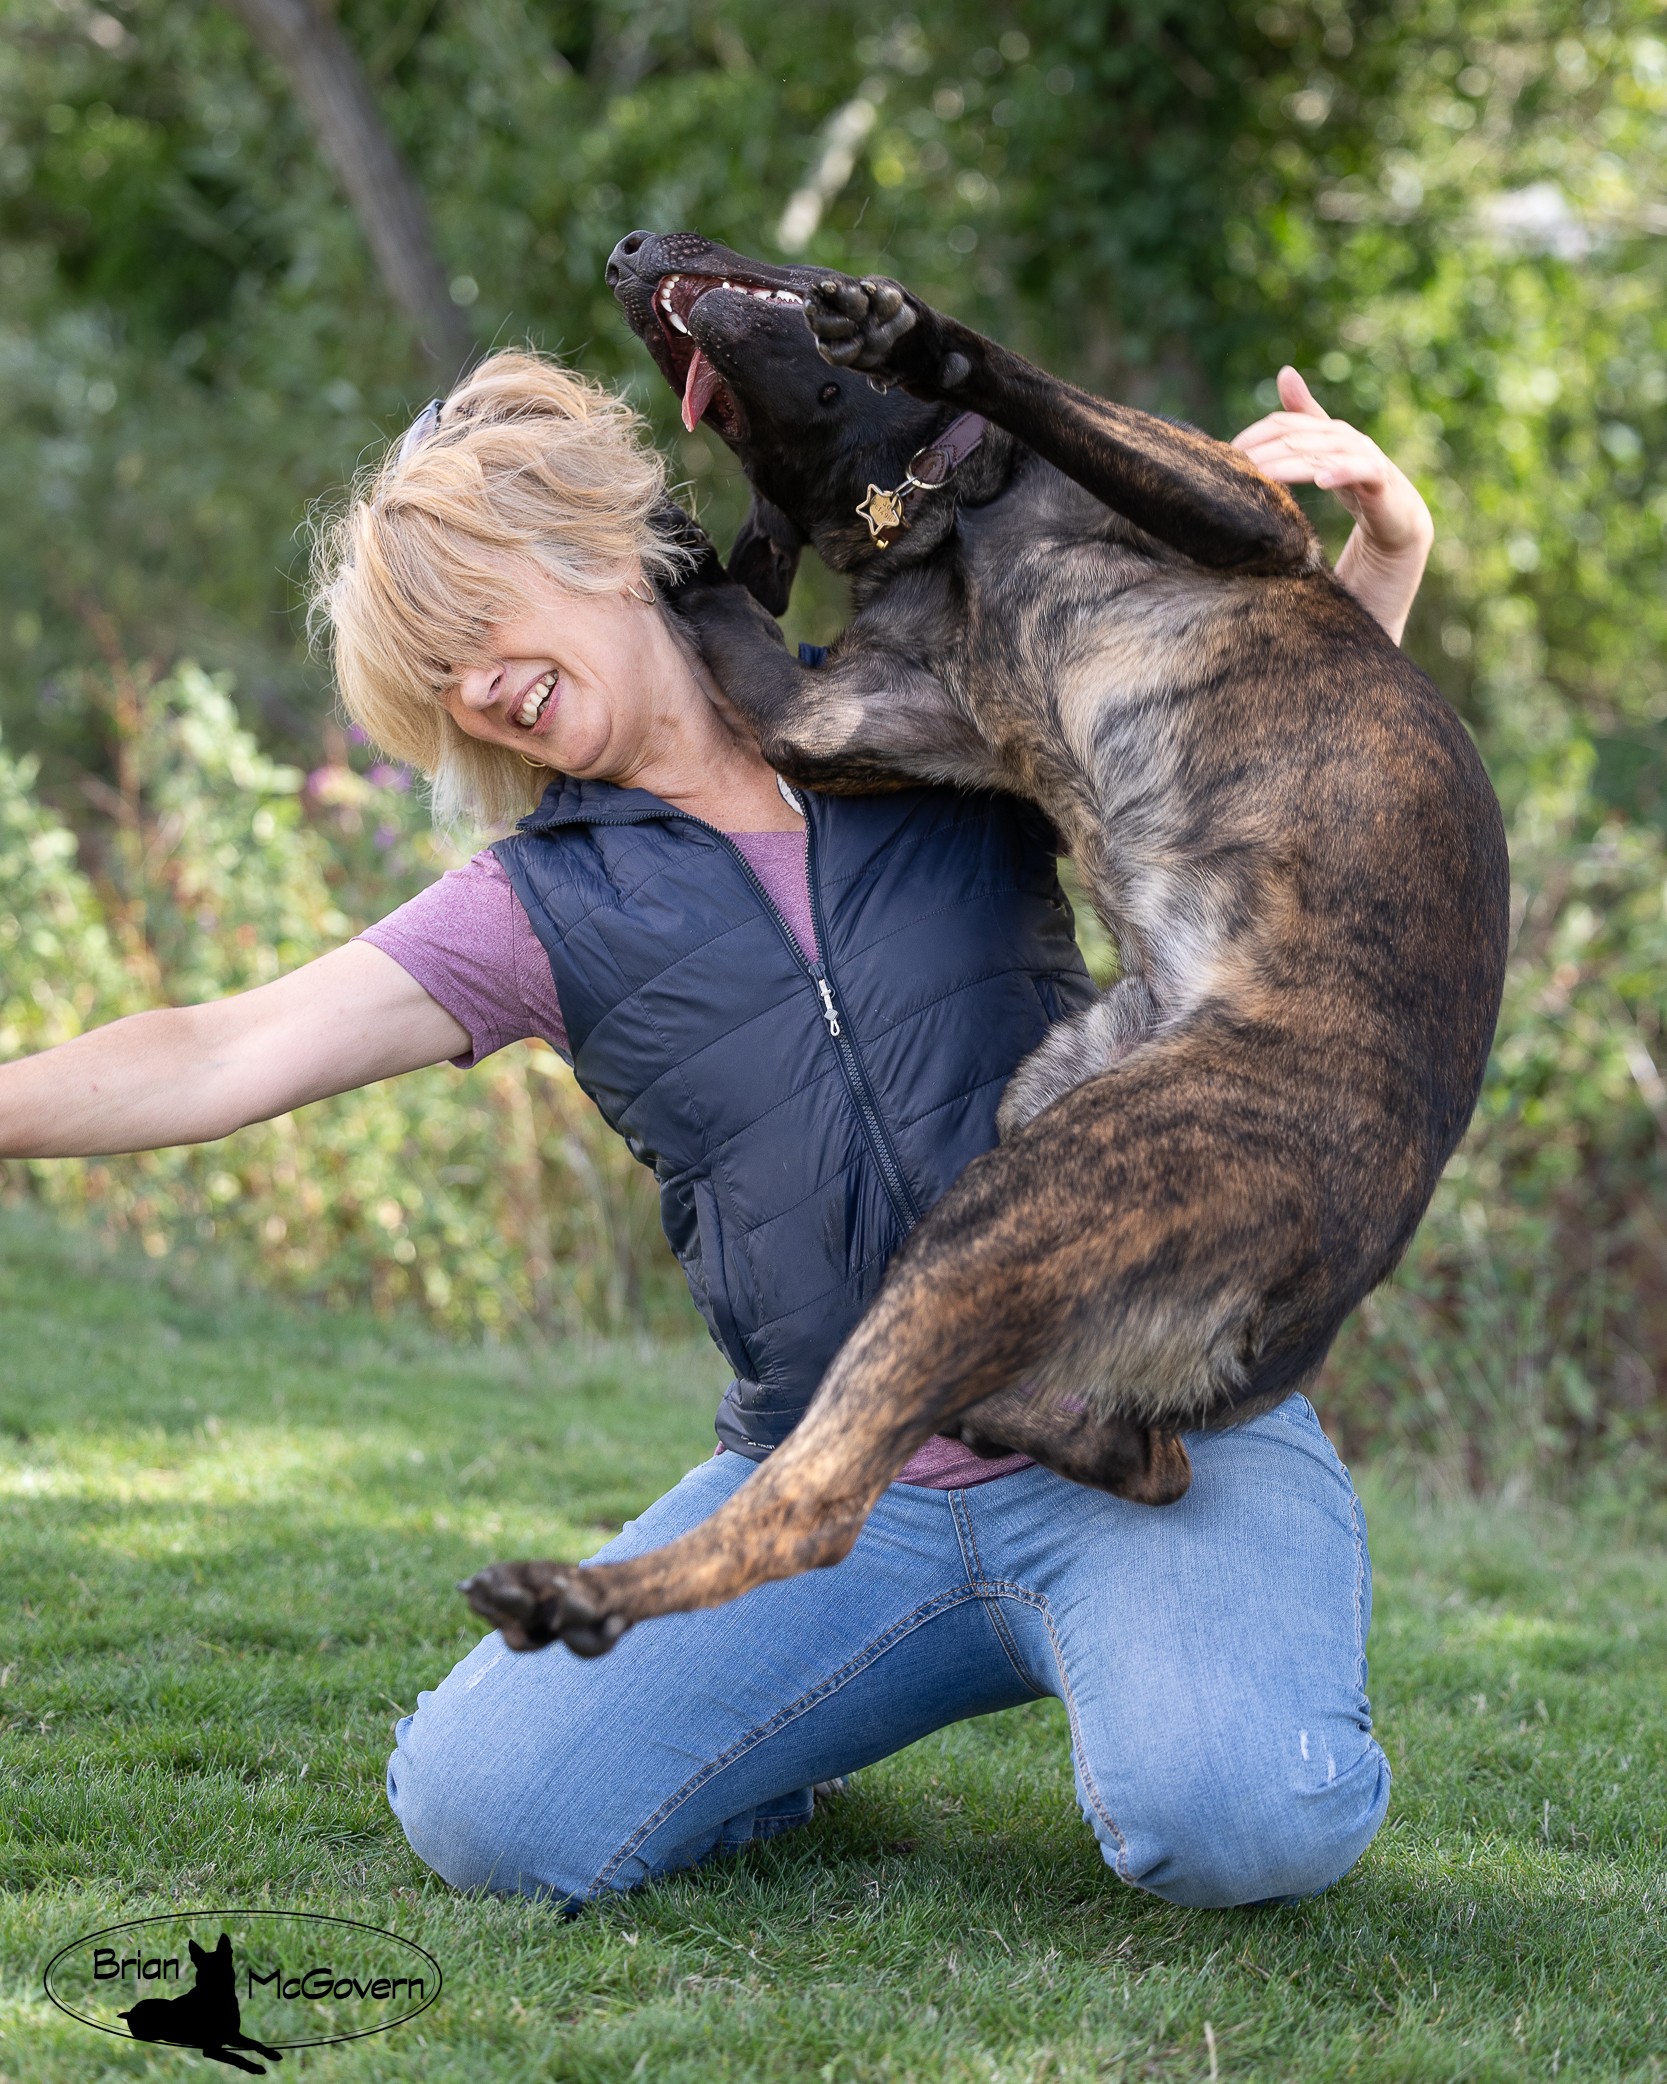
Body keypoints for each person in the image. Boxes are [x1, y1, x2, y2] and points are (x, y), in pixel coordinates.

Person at [0, 348, 1434, 1911]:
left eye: (474, 630)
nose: (476, 689)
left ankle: (1221, 1641)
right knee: (489, 1815)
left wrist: (1384, 559)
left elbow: (1260, 781)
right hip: (824, 1489)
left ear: (599, 551)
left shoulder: (931, 723)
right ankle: (789, 1733)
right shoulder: (542, 907)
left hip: (1135, 1434)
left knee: (1238, 1824)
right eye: (438, 681)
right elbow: (219, 1049)